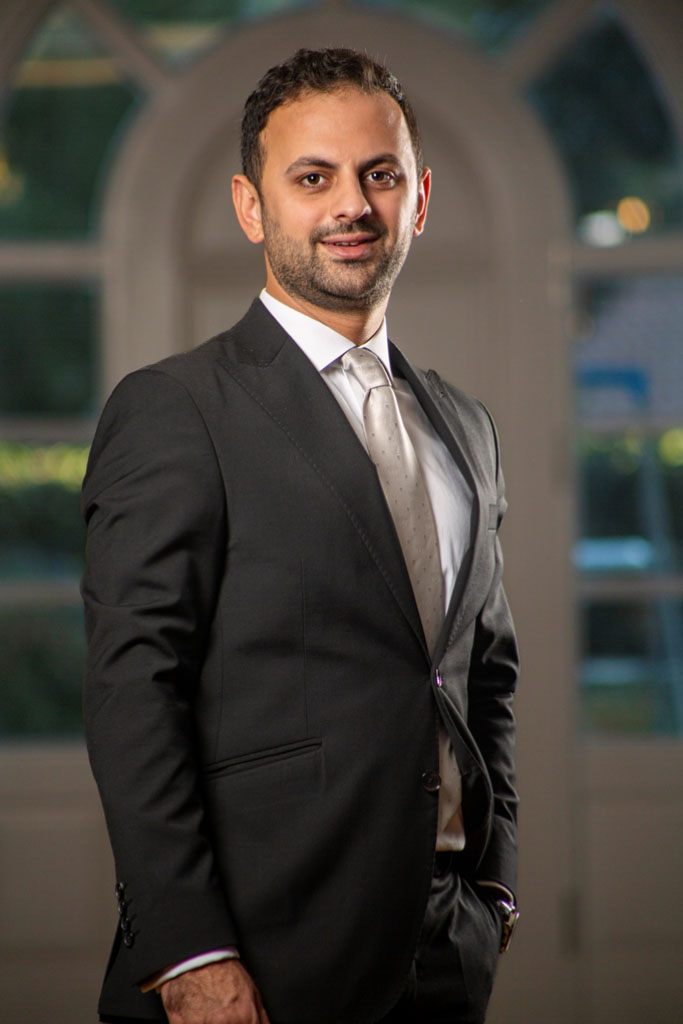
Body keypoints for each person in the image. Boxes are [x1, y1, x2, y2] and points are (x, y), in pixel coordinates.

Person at [82, 47, 519, 1024]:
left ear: (418, 199)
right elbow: (132, 694)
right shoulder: (175, 410)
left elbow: (482, 676)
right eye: (312, 177)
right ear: (251, 207)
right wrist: (189, 951)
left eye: (379, 174)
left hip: (443, 954)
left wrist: (496, 891)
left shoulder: (465, 426)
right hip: (256, 961)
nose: (351, 205)